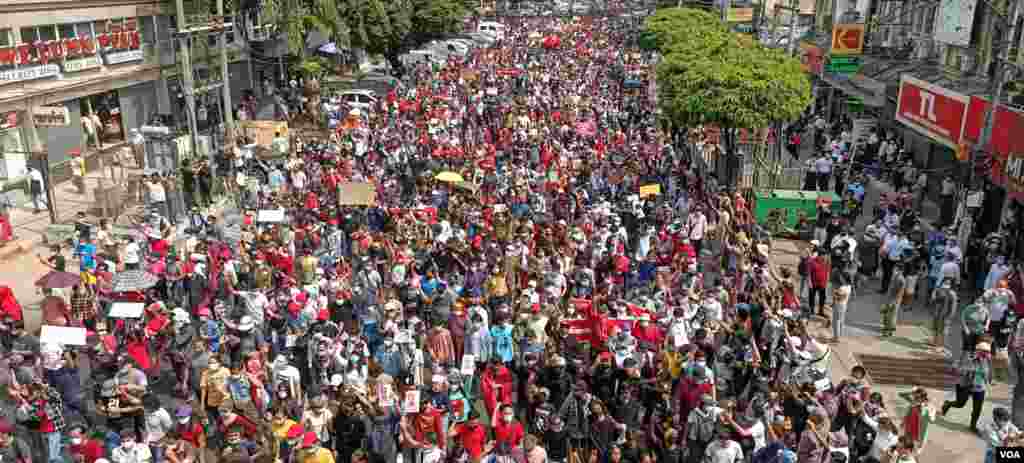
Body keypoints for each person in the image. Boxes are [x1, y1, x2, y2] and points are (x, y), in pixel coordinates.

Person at [942, 341, 994, 432]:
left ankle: (972, 426)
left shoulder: (988, 361)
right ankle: (948, 404)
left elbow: (989, 373)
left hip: (979, 388)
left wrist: (989, 379)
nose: (986, 353)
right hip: (965, 385)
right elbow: (959, 370)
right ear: (977, 351)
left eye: (987, 351)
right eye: (983, 351)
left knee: (977, 409)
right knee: (960, 404)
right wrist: (964, 369)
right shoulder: (969, 359)